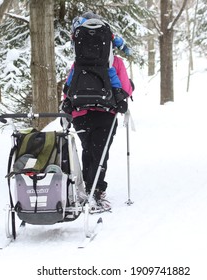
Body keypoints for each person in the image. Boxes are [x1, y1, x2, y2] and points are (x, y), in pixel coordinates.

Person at [61, 12, 133, 210]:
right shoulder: (114, 62)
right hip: (106, 112)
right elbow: (125, 89)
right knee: (100, 153)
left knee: (89, 150)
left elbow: (69, 86)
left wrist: (66, 106)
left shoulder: (79, 62)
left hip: (79, 113)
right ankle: (97, 192)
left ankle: (88, 191)